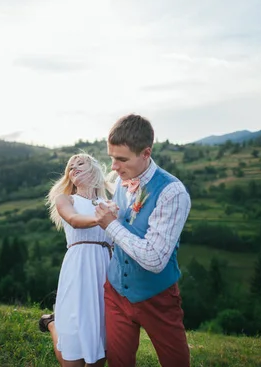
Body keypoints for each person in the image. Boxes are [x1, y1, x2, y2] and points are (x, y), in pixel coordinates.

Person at [95, 114, 192, 367]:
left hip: (157, 297)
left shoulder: (172, 192)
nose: (114, 167)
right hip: (115, 291)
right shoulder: (121, 180)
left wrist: (111, 225)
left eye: (121, 159)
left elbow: (155, 258)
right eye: (111, 157)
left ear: (146, 153)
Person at [39, 152, 113, 367]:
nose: (74, 169)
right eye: (70, 167)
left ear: (94, 170)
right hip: (79, 265)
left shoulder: (110, 203)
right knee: (72, 359)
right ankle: (53, 325)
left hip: (105, 267)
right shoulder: (66, 199)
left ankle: (55, 323)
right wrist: (105, 218)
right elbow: (74, 219)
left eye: (80, 163)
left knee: (98, 350)